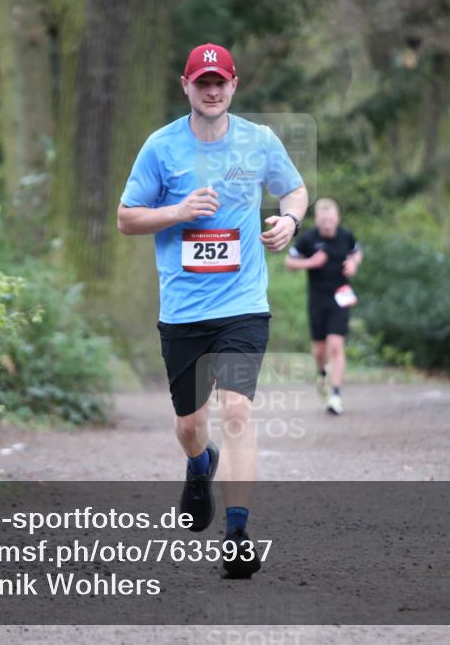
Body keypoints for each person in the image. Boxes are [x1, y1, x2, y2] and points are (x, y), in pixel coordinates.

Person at [117, 43, 308, 579]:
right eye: (202, 82)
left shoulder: (259, 140)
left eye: (219, 81)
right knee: (189, 423)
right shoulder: (160, 148)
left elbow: (294, 191)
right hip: (183, 310)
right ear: (186, 87)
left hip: (244, 305)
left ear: (233, 85)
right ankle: (199, 464)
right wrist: (177, 211)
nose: (211, 90)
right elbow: (126, 219)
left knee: (238, 412)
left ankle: (238, 533)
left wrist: (289, 222)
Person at [285, 198, 362, 414]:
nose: (328, 223)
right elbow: (289, 263)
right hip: (317, 299)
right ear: (317, 220)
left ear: (337, 218)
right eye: (324, 219)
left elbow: (356, 252)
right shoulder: (308, 239)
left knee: (336, 345)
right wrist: (310, 262)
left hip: (340, 298)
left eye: (331, 219)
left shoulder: (346, 236)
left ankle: (335, 395)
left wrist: (354, 263)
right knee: (319, 350)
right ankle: (322, 372)